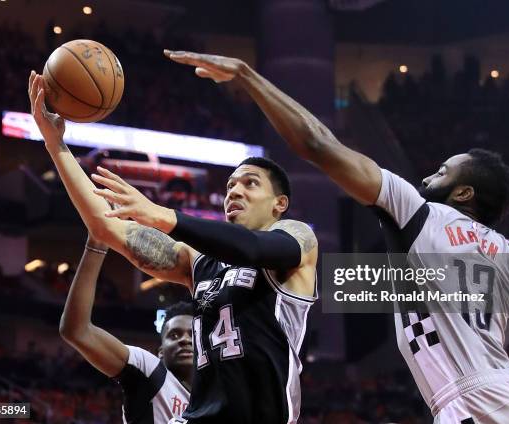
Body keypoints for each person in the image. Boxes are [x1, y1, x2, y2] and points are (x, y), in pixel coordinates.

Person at [163, 50, 509, 423]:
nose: (428, 175)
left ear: (464, 193)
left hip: (473, 401)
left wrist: (248, 75)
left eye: (443, 172)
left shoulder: (419, 212)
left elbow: (317, 144)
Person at [28, 71, 318, 424]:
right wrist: (55, 145)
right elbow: (107, 226)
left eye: (250, 183)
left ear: (279, 204)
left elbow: (254, 250)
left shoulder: (298, 238)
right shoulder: (198, 265)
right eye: (229, 185)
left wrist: (164, 216)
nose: (234, 191)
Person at [59, 233, 193, 422]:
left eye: (192, 334)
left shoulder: (216, 399)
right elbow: (77, 331)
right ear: (161, 352)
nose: (185, 340)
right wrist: (97, 243)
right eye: (175, 335)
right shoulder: (150, 369)